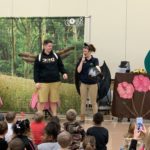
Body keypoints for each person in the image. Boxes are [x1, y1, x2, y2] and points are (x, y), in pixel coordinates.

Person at [34, 39, 68, 116]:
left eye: (51, 46)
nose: (50, 47)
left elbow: (61, 66)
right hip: (43, 83)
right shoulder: (39, 57)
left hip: (55, 82)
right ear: (44, 46)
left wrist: (64, 73)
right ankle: (39, 118)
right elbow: (36, 71)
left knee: (54, 101)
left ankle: (55, 116)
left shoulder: (56, 55)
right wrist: (36, 82)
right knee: (42, 101)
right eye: (49, 46)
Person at [76, 43, 100, 122]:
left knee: (93, 102)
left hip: (93, 84)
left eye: (86, 51)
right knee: (83, 101)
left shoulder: (95, 60)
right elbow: (78, 71)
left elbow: (97, 69)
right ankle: (82, 118)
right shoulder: (81, 59)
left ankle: (96, 119)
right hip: (83, 83)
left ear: (90, 52)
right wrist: (82, 62)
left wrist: (96, 70)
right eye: (83, 51)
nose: (84, 53)